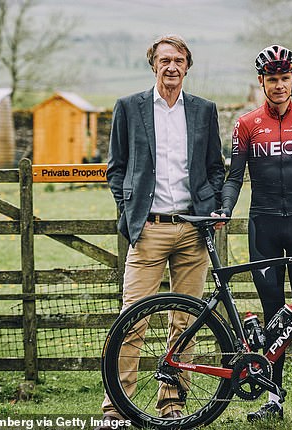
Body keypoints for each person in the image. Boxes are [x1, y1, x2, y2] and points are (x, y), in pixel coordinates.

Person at [100, 34, 225, 428]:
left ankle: (172, 400)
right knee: (132, 318)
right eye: (165, 60)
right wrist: (128, 213)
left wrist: (213, 207)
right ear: (153, 64)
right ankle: (116, 407)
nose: (172, 67)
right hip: (149, 229)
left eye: (179, 61)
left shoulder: (204, 111)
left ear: (188, 66)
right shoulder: (129, 108)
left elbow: (215, 167)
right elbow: (116, 167)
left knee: (184, 320)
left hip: (193, 230)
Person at [220, 44, 292, 422]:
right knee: (272, 318)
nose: (279, 85)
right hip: (263, 225)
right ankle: (274, 399)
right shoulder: (246, 124)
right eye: (272, 79)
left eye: (284, 78)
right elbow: (235, 177)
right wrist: (223, 208)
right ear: (261, 82)